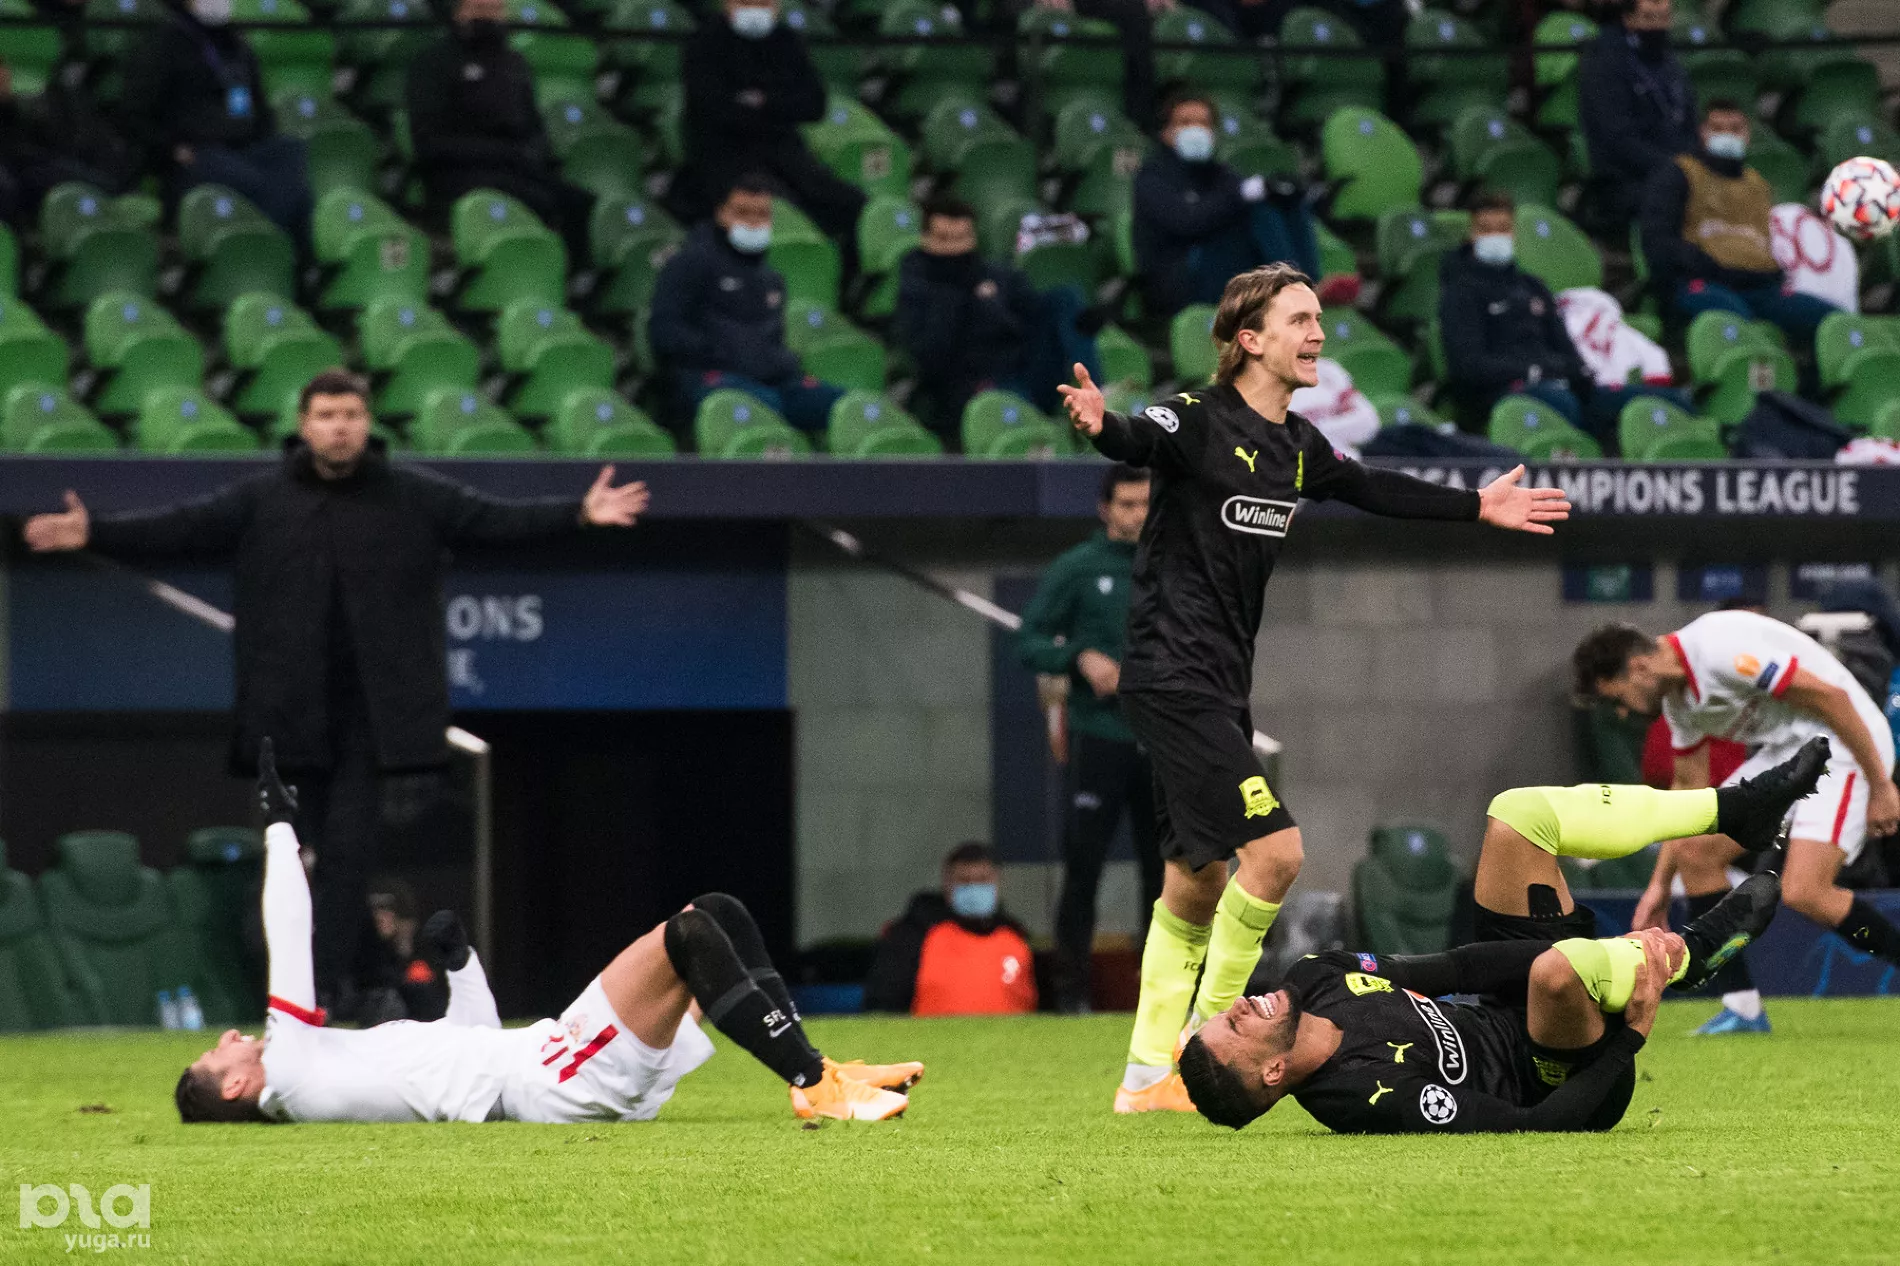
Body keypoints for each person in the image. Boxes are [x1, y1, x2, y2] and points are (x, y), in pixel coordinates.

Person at [1057, 262, 1572, 1113]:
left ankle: (1145, 1077)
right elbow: (1135, 438)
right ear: (1249, 339)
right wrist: (1099, 423)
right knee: (1278, 853)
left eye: (1317, 319)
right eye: (1299, 319)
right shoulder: (1196, 418)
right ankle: (1208, 1043)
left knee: (1194, 882)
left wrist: (1476, 507)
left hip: (1220, 686)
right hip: (1173, 678)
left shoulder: (1299, 446)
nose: (1318, 333)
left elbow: (1372, 488)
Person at [20, 370, 651, 1019]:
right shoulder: (262, 499)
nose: (339, 427)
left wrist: (579, 513)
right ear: (303, 425)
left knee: (347, 855)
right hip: (291, 715)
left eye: (350, 414)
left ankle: (315, 997)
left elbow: (494, 520)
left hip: (373, 718)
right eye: (326, 415)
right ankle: (361, 980)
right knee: (312, 861)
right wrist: (94, 532)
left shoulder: (411, 495)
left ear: (367, 421)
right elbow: (181, 527)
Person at [174, 741, 923, 1124]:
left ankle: (816, 1072)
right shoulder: (292, 1069)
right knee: (691, 934)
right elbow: (289, 933)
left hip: (534, 1063)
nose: (231, 1036)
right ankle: (814, 1083)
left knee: (717, 910)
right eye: (218, 1053)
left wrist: (461, 966)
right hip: (553, 1074)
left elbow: (470, 1042)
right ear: (237, 1086)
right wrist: (279, 826)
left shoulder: (322, 1066)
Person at [1177, 743, 1824, 1132]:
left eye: (1226, 1013)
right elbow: (1533, 1123)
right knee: (1555, 974)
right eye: (1234, 1027)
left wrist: (1568, 954)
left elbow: (1459, 968)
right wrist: (1628, 1037)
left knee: (1517, 815)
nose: (1238, 1005)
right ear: (1272, 1071)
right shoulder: (1363, 1098)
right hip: (1561, 1075)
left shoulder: (1314, 977)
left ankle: (1735, 809)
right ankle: (1691, 955)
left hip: (1514, 1004)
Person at [1574, 613, 1900, 1035]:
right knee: (1696, 852)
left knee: (1805, 891)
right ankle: (1743, 1009)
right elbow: (1688, 793)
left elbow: (1832, 699)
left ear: (1638, 668)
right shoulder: (1680, 706)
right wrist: (1659, 886)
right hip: (1790, 749)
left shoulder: (1718, 652)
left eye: (1619, 698)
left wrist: (1881, 786)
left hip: (1844, 741)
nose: (1622, 712)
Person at [1015, 466, 1159, 1013]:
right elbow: (1029, 641)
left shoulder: (1174, 563)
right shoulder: (1078, 567)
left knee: (1168, 873)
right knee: (1083, 867)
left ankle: (1161, 993)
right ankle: (1071, 994)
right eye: (1127, 504)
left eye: (1145, 503)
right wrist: (1078, 658)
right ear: (1105, 509)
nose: (1138, 515)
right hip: (1098, 736)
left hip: (1162, 739)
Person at [1439, 190, 1690, 446]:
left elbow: (1565, 347)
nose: (1495, 236)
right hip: (1501, 394)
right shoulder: (1460, 292)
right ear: (1471, 234)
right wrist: (1532, 371)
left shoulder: (1532, 286)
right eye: (1485, 229)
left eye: (1503, 228)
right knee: (1563, 402)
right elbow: (1468, 366)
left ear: (1513, 233)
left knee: (1670, 402)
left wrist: (1577, 376)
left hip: (1558, 383)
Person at [649, 174, 847, 433]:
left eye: (762, 215)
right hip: (709, 377)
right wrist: (718, 352)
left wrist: (780, 363)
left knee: (846, 407)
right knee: (765, 405)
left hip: (771, 380)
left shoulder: (771, 278)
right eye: (742, 213)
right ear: (721, 213)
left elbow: (771, 341)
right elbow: (664, 331)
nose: (753, 223)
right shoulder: (689, 264)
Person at [894, 194, 1103, 438]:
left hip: (1024, 370)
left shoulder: (996, 274)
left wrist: (1083, 321)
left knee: (1065, 298)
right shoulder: (916, 286)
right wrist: (963, 299)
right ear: (925, 239)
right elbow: (929, 355)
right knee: (1008, 398)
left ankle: (1095, 390)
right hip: (968, 386)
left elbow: (1032, 314)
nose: (955, 248)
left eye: (963, 238)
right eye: (944, 239)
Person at [1641, 100, 1836, 357]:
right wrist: (1705, 266)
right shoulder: (1679, 174)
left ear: (1747, 134)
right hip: (1704, 283)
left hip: (1759, 288)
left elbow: (1762, 243)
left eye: (1735, 129)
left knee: (1833, 322)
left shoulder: (1756, 184)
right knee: (1740, 325)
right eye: (1717, 128)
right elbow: (1659, 242)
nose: (1727, 135)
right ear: (1702, 132)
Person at [404, 0, 594, 259]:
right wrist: (499, 153)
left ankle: (573, 276)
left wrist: (531, 154)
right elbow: (429, 143)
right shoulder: (433, 62)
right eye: (479, 8)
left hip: (515, 167)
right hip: (459, 171)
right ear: (458, 12)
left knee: (579, 202)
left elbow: (533, 125)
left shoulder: (513, 63)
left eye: (494, 9)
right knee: (538, 200)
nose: (487, 17)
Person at [116, 0, 311, 245]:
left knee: (292, 151)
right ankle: (268, 244)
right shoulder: (162, 43)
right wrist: (172, 150)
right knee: (259, 184)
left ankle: (286, 251)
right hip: (196, 155)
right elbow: (133, 115)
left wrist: (263, 137)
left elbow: (260, 108)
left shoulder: (235, 43)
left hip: (245, 149)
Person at [678, 0, 864, 252]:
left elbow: (814, 105)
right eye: (747, 2)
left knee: (852, 204)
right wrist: (777, 104)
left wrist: (761, 102)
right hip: (725, 155)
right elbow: (714, 109)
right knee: (778, 206)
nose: (755, 8)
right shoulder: (705, 42)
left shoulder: (787, 41)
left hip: (785, 153)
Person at [1133, 93, 1321, 320]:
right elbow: (1187, 222)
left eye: (1204, 123)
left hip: (1219, 269)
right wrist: (1243, 194)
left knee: (1286, 202)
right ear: (1165, 132)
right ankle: (1293, 288)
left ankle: (1310, 284)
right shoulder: (1152, 177)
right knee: (1257, 212)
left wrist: (1282, 191)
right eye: (1185, 123)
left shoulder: (1217, 172)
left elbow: (1238, 194)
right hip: (1177, 278)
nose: (1196, 130)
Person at [863, 842, 1038, 1016]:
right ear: (947, 885)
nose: (974, 888)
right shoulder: (913, 935)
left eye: (983, 880)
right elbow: (883, 1005)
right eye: (964, 881)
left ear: (998, 883)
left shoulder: (1016, 938)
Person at [1578, 0, 1697, 231]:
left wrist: (1692, 165)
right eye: (1649, 18)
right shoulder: (1604, 61)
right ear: (1629, 19)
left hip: (1677, 171)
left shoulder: (1670, 62)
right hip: (1625, 180)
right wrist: (1675, 168)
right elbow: (1618, 139)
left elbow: (1689, 122)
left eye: (1664, 18)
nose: (1657, 26)